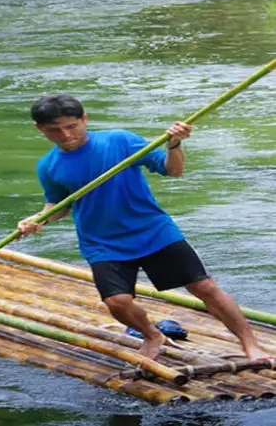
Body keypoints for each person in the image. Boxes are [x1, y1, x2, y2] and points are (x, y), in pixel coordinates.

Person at [18, 94, 269, 361]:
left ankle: (250, 344)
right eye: (54, 131)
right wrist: (39, 220)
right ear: (39, 129)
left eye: (72, 127)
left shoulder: (120, 140)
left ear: (85, 119)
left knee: (204, 287)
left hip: (152, 230)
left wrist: (174, 145)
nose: (66, 136)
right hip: (101, 242)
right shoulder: (48, 165)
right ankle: (152, 334)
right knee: (118, 302)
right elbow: (59, 206)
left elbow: (172, 170)